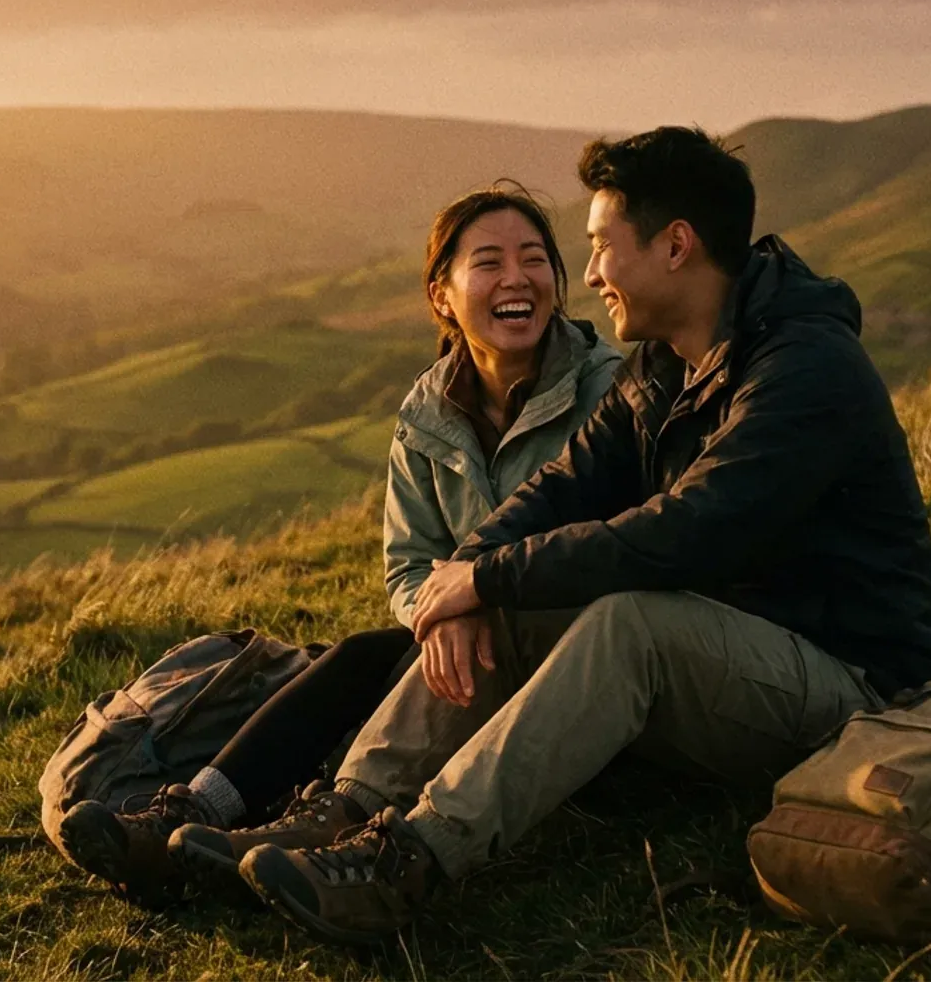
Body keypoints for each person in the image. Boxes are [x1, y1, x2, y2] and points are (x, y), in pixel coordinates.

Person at [238, 127, 931, 944]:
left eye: (601, 246)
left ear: (675, 246)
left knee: (626, 621)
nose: (594, 274)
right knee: (518, 592)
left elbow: (687, 535)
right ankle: (342, 813)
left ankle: (408, 861)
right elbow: (562, 488)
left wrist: (492, 578)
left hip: (853, 694)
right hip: (733, 664)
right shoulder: (663, 365)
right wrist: (471, 575)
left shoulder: (803, 369)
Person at [51, 184, 624, 902]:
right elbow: (409, 563)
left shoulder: (610, 391)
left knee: (387, 669)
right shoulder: (428, 410)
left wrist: (479, 593)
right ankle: (193, 817)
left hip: (559, 645)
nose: (517, 278)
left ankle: (312, 830)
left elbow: (609, 542)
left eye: (534, 259)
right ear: (442, 295)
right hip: (459, 638)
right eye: (489, 262)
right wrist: (441, 609)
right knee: (358, 659)